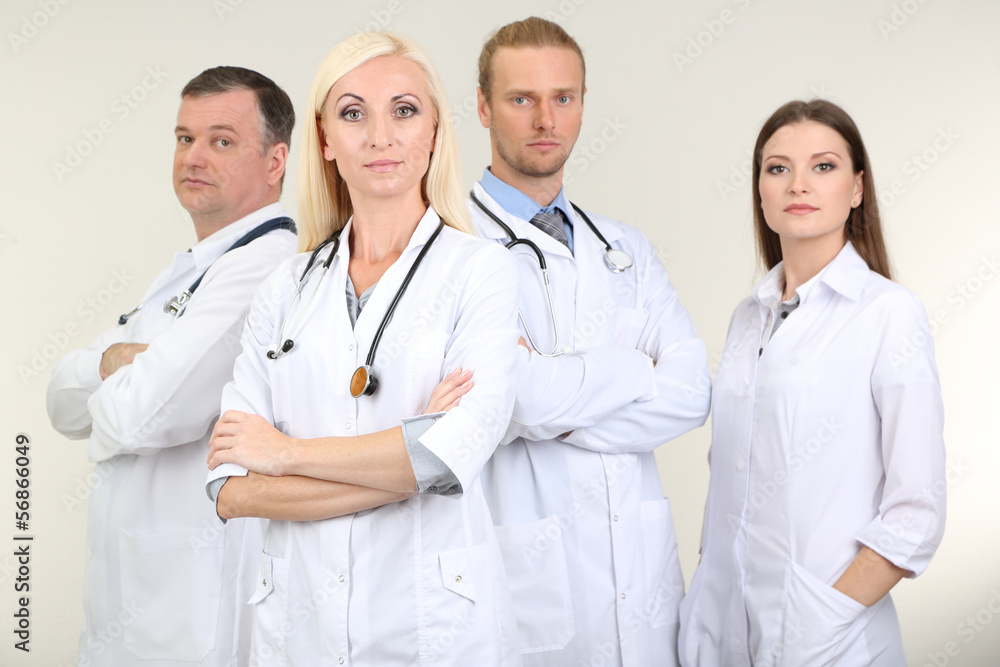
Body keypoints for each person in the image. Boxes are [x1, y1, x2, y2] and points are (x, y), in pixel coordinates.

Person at [204, 32, 522, 666]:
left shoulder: (481, 270)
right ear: (324, 139)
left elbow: (447, 456)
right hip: (300, 623)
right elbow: (231, 490)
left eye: (404, 110)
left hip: (429, 625)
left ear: (435, 131)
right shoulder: (286, 287)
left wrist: (286, 454)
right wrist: (406, 460)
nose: (380, 136)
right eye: (353, 113)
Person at [467, 17, 711, 667]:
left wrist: (553, 396)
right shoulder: (451, 249)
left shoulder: (624, 247)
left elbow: (691, 392)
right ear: (485, 107)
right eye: (522, 99)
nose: (546, 119)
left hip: (642, 589)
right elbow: (513, 401)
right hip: (531, 588)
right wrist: (633, 368)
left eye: (564, 97)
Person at [677, 100, 946, 666]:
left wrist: (822, 620)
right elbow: (731, 477)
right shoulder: (747, 316)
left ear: (856, 189)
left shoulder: (887, 314)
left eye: (823, 167)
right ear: (759, 190)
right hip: (724, 635)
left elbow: (915, 511)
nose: (798, 184)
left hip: (830, 643)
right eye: (777, 168)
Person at [45, 67, 298, 666]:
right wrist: (116, 363)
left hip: (194, 608)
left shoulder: (265, 268)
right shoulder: (188, 272)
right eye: (185, 138)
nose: (194, 156)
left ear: (275, 160)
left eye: (222, 140)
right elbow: (59, 402)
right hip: (132, 608)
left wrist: (109, 378)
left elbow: (140, 417)